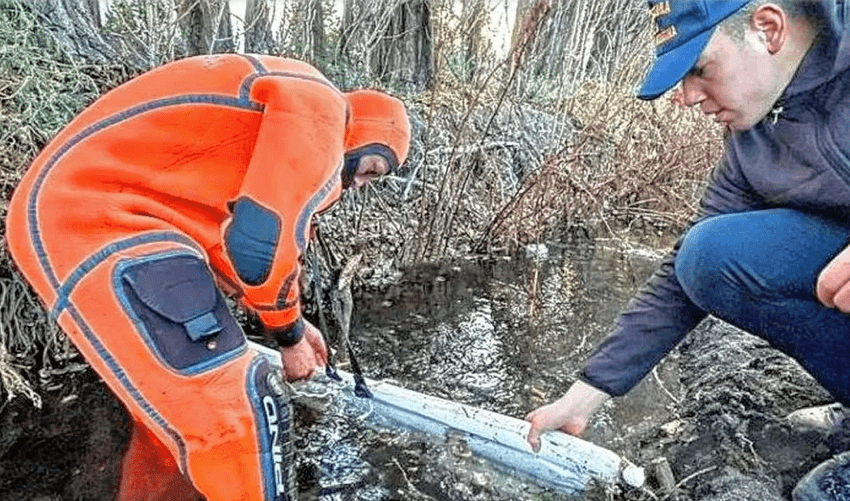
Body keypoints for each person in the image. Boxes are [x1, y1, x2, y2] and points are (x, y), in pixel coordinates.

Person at [5, 53, 410, 501]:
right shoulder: (320, 108)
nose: (361, 183)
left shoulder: (269, 125)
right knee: (240, 410)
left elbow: (235, 244)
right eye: (372, 168)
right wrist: (289, 336)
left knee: (175, 422)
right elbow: (261, 247)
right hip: (97, 221)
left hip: (109, 220)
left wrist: (290, 320)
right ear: (359, 134)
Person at [524, 1, 850, 498]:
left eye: (699, 69)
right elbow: (683, 274)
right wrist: (588, 393)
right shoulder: (753, 141)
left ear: (767, 28)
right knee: (707, 257)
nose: (686, 96)